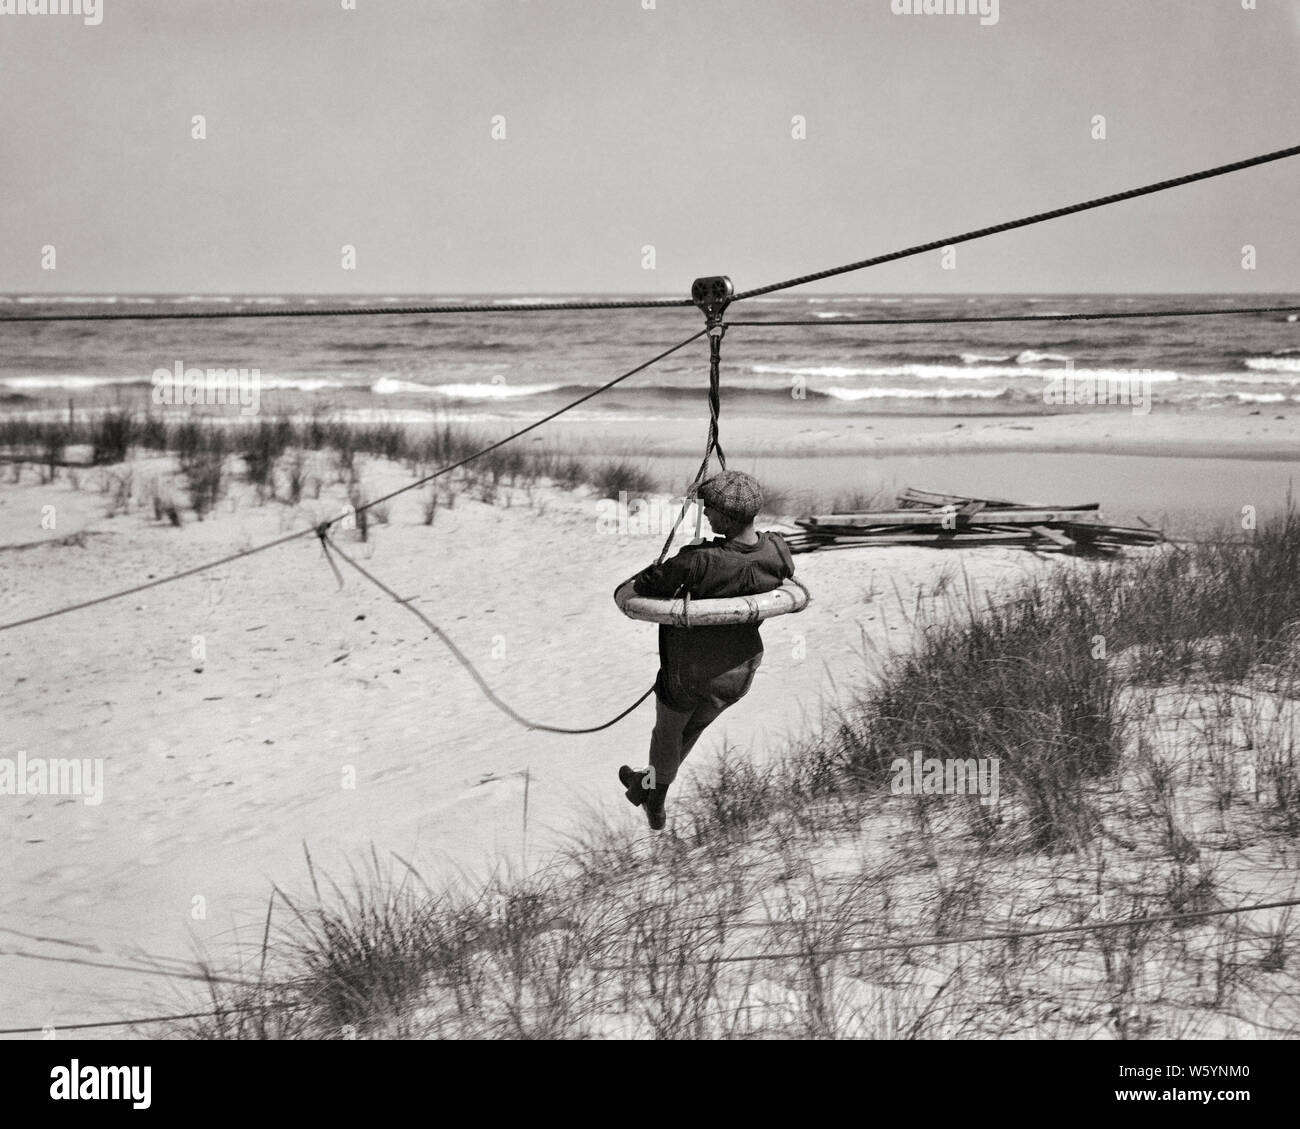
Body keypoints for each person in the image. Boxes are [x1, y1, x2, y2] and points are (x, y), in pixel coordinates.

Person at [614, 470, 795, 830]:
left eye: (709, 509)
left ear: (726, 517)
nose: (706, 516)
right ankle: (647, 785)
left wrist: (668, 565)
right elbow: (785, 570)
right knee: (689, 732)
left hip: (688, 674)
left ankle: (656, 800)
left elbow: (647, 584)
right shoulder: (776, 548)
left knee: (667, 733)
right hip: (738, 673)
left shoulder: (700, 561)